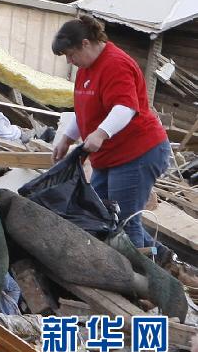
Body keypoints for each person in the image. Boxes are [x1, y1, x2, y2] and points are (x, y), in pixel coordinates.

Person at [51, 14, 171, 250]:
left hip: (137, 153)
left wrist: (100, 133)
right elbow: (85, 109)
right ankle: (165, 261)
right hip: (110, 157)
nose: (70, 61)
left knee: (125, 221)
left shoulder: (115, 64)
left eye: (71, 54)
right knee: (99, 214)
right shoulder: (85, 69)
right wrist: (67, 138)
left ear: (86, 43)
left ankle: (137, 281)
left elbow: (125, 107)